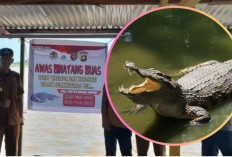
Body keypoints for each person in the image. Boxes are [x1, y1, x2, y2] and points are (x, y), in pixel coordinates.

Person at [0, 48, 24, 156]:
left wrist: (21, 117)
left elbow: (19, 98)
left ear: (12, 60)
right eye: (3, 58)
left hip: (13, 120)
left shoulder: (16, 76)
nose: (5, 61)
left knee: (12, 152)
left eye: (8, 58)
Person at [101, 85, 132, 156]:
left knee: (127, 153)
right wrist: (104, 121)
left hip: (125, 127)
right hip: (110, 126)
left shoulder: (129, 83)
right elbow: (104, 102)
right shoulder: (107, 83)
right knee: (110, 153)